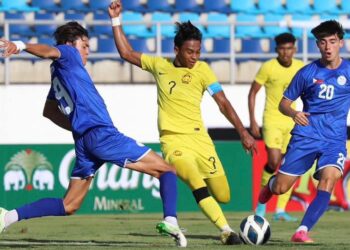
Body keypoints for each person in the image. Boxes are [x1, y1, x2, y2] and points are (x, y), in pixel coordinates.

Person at [0, 21, 187, 247]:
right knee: (166, 170)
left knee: (69, 205)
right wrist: (19, 45)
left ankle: (7, 217)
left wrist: (79, 127)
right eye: (85, 45)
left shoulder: (59, 74)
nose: (88, 51)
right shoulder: (68, 54)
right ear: (70, 44)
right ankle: (170, 220)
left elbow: (49, 111)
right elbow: (49, 51)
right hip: (102, 135)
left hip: (84, 141)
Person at [108, 0, 256, 245]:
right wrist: (115, 19)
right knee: (195, 182)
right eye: (190, 52)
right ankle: (226, 231)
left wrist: (243, 132)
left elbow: (223, 103)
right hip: (173, 141)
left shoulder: (203, 70)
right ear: (176, 49)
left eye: (198, 52)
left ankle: (220, 217)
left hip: (200, 139)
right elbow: (126, 53)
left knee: (223, 194)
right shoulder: (160, 66)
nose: (194, 57)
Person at [259, 20, 348, 243]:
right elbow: (284, 103)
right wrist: (293, 113)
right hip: (306, 136)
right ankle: (270, 185)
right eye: (323, 42)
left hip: (334, 140)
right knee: (281, 187)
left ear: (341, 43)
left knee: (328, 180)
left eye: (333, 42)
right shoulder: (307, 73)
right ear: (317, 45)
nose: (328, 47)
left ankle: (302, 230)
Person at [248, 33, 304, 221]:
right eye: (282, 48)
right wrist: (253, 120)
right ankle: (262, 205)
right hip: (272, 119)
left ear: (294, 49)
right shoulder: (268, 67)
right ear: (276, 50)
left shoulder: (300, 67)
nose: (286, 52)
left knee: (289, 165)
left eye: (289, 48)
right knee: (273, 162)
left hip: (292, 121)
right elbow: (252, 93)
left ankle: (280, 209)